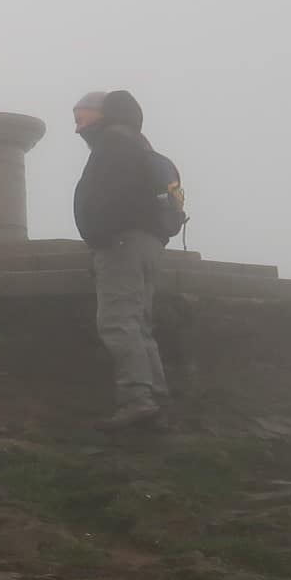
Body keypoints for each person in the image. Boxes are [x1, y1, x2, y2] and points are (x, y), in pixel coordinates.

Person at [73, 89, 172, 430]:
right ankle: (155, 397)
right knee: (139, 322)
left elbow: (108, 197)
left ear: (103, 113)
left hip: (121, 244)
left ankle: (137, 399)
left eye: (81, 118)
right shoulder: (139, 145)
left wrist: (100, 236)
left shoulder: (112, 147)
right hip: (149, 243)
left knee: (118, 321)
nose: (77, 128)